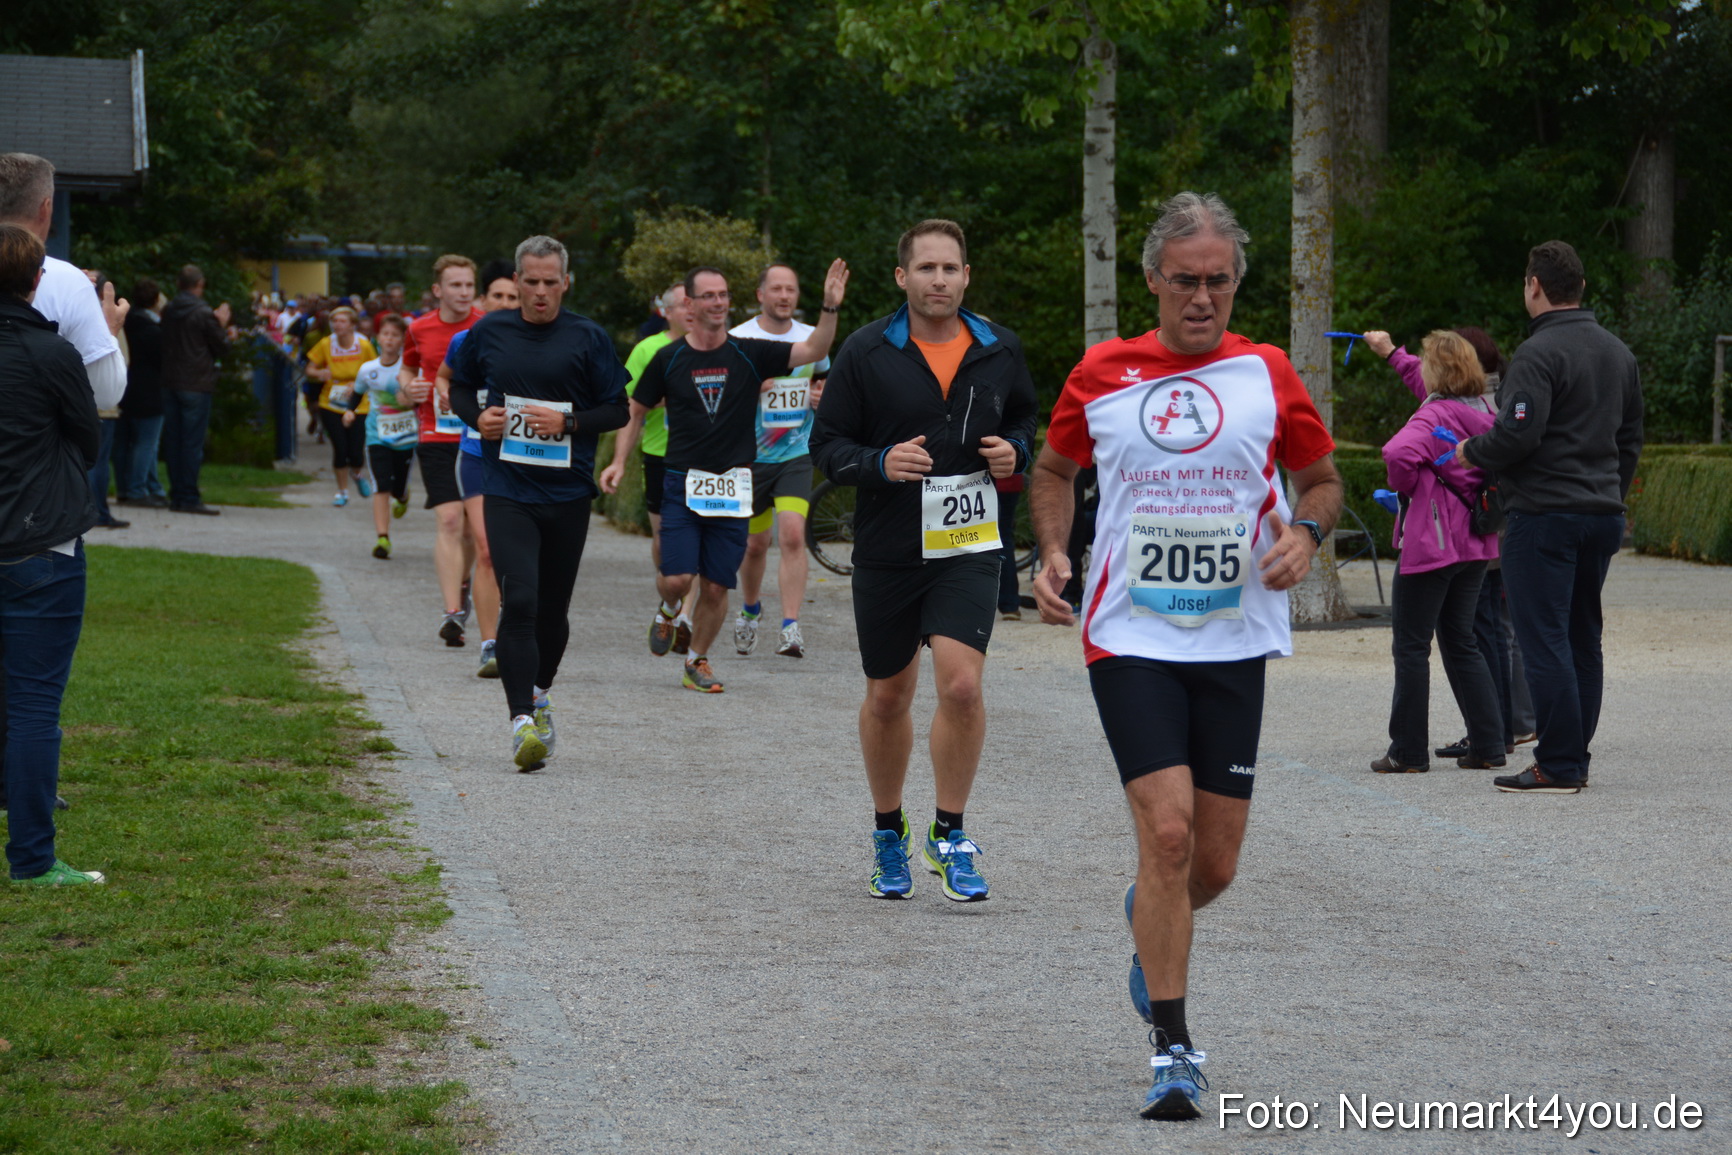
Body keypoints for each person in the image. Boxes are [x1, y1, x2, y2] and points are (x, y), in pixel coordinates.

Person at [1027, 192, 1341, 1120]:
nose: (1203, 298)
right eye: (1186, 281)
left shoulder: (1269, 371)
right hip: (1129, 632)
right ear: (1153, 280)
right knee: (1165, 835)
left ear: (1237, 282)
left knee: (1213, 864)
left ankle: (1150, 922)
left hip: (1235, 636)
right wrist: (1053, 549)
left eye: (1220, 282)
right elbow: (1053, 471)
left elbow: (1320, 479)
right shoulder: (1103, 370)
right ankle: (1174, 1046)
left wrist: (1310, 534)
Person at [810, 219, 1037, 905]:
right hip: (888, 547)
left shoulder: (1000, 349)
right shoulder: (866, 350)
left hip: (968, 546)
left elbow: (1027, 419)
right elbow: (827, 446)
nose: (939, 279)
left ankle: (950, 832)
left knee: (962, 686)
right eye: (926, 268)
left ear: (967, 276)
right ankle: (887, 832)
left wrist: (1016, 453)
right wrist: (878, 462)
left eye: (950, 268)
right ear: (901, 277)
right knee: (889, 695)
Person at [602, 260, 848, 693]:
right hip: (683, 481)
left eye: (723, 295)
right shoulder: (668, 358)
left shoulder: (747, 352)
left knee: (716, 586)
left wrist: (830, 307)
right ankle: (668, 607)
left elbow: (813, 351)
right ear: (690, 305)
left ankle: (697, 660)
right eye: (708, 296)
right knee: (678, 577)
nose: (718, 303)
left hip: (735, 485)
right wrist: (619, 461)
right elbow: (634, 410)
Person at [1456, 240, 1643, 794]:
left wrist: (1473, 452)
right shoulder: (1619, 353)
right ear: (1580, 289)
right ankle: (1572, 754)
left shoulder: (1538, 353)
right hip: (1601, 514)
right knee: (1584, 636)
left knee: (1544, 638)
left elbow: (1518, 433)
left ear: (1534, 286)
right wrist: (1609, 491)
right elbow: (1630, 440)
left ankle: (1559, 764)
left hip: (1544, 515)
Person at [448, 236, 630, 770]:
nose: (541, 292)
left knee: (552, 611)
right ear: (518, 281)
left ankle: (540, 693)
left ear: (565, 282)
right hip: (507, 488)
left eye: (552, 282)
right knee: (520, 599)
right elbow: (461, 388)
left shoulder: (587, 337)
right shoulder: (488, 332)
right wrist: (475, 418)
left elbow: (617, 409)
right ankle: (520, 720)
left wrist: (570, 422)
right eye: (531, 282)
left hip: (568, 492)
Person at [0, 223, 106, 886]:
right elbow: (88, 437)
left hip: (33, 535)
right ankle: (34, 859)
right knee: (36, 703)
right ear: (38, 280)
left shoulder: (46, 349)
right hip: (43, 542)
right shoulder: (51, 351)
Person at [1371, 330, 1504, 774]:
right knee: (1462, 641)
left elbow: (1397, 453)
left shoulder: (1432, 416)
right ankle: (1488, 744)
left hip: (1433, 543)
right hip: (1475, 545)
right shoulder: (1486, 411)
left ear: (1438, 373)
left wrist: (1413, 490)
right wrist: (1393, 355)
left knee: (1410, 647)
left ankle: (1407, 751)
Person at [729, 263, 830, 659]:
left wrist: (820, 398)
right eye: (777, 289)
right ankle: (751, 611)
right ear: (760, 295)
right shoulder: (739, 337)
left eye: (791, 289)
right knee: (755, 543)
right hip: (750, 456)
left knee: (791, 534)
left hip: (795, 452)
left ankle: (791, 627)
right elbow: (721, 398)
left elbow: (824, 380)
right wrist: (753, 389)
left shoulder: (811, 340)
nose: (785, 296)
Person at [600, 284, 694, 651]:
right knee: (666, 540)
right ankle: (670, 596)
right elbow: (627, 409)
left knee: (699, 541)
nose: (690, 311)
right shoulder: (647, 350)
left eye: (694, 303)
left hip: (706, 460)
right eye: (681, 306)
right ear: (666, 313)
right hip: (661, 455)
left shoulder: (721, 347)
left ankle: (685, 614)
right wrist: (619, 461)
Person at [438, 259, 520, 678]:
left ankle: (518, 629)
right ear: (484, 301)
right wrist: (453, 403)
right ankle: (491, 645)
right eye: (498, 297)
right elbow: (446, 378)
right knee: (487, 550)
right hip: (476, 457)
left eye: (513, 297)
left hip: (526, 461)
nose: (506, 304)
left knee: (517, 557)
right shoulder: (467, 340)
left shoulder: (540, 344)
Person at [0, 154, 127, 415]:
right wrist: (108, 331)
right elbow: (105, 393)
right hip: (32, 447)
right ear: (45, 208)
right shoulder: (69, 282)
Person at [399, 256, 482, 647]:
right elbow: (407, 368)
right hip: (435, 434)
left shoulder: (487, 326)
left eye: (468, 285)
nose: (463, 293)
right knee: (449, 520)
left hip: (477, 437)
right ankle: (452, 614)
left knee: (469, 528)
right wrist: (408, 388)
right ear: (438, 290)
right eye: (455, 285)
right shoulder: (418, 328)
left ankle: (463, 585)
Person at [160, 265, 233, 515]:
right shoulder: (202, 313)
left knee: (173, 441)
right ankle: (189, 495)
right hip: (196, 383)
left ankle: (177, 494)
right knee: (191, 443)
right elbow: (222, 346)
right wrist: (222, 324)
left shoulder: (168, 310)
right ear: (199, 284)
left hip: (171, 381)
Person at [343, 313, 415, 559]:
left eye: (395, 335)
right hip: (377, 435)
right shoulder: (368, 369)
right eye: (385, 334)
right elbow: (357, 393)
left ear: (403, 340)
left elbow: (423, 400)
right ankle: (382, 538)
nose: (390, 339)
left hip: (406, 436)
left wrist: (411, 400)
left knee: (398, 487)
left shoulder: (410, 368)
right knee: (381, 484)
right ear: (378, 339)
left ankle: (403, 496)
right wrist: (349, 412)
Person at [305, 305, 377, 507]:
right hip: (331, 403)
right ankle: (342, 491)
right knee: (340, 448)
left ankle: (356, 474)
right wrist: (320, 374)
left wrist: (360, 383)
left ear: (353, 325)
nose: (337, 325)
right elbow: (309, 367)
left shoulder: (363, 345)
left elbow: (375, 370)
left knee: (355, 451)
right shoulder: (326, 344)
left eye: (342, 321)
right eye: (335, 321)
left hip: (358, 404)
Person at [115, 278, 169, 507]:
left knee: (127, 442)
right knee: (147, 443)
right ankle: (138, 489)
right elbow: (164, 360)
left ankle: (129, 487)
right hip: (150, 392)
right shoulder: (154, 331)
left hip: (127, 389)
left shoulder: (126, 323)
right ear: (156, 300)